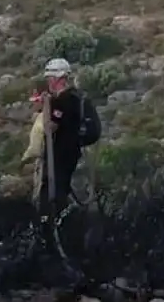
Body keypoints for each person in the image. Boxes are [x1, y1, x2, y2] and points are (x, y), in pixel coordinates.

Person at [36, 58, 100, 220]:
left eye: (50, 78)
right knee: (63, 187)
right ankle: (63, 220)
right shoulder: (76, 98)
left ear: (60, 78)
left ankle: (52, 224)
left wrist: (46, 108)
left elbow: (50, 127)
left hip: (59, 153)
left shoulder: (61, 101)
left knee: (52, 191)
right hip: (72, 151)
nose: (49, 82)